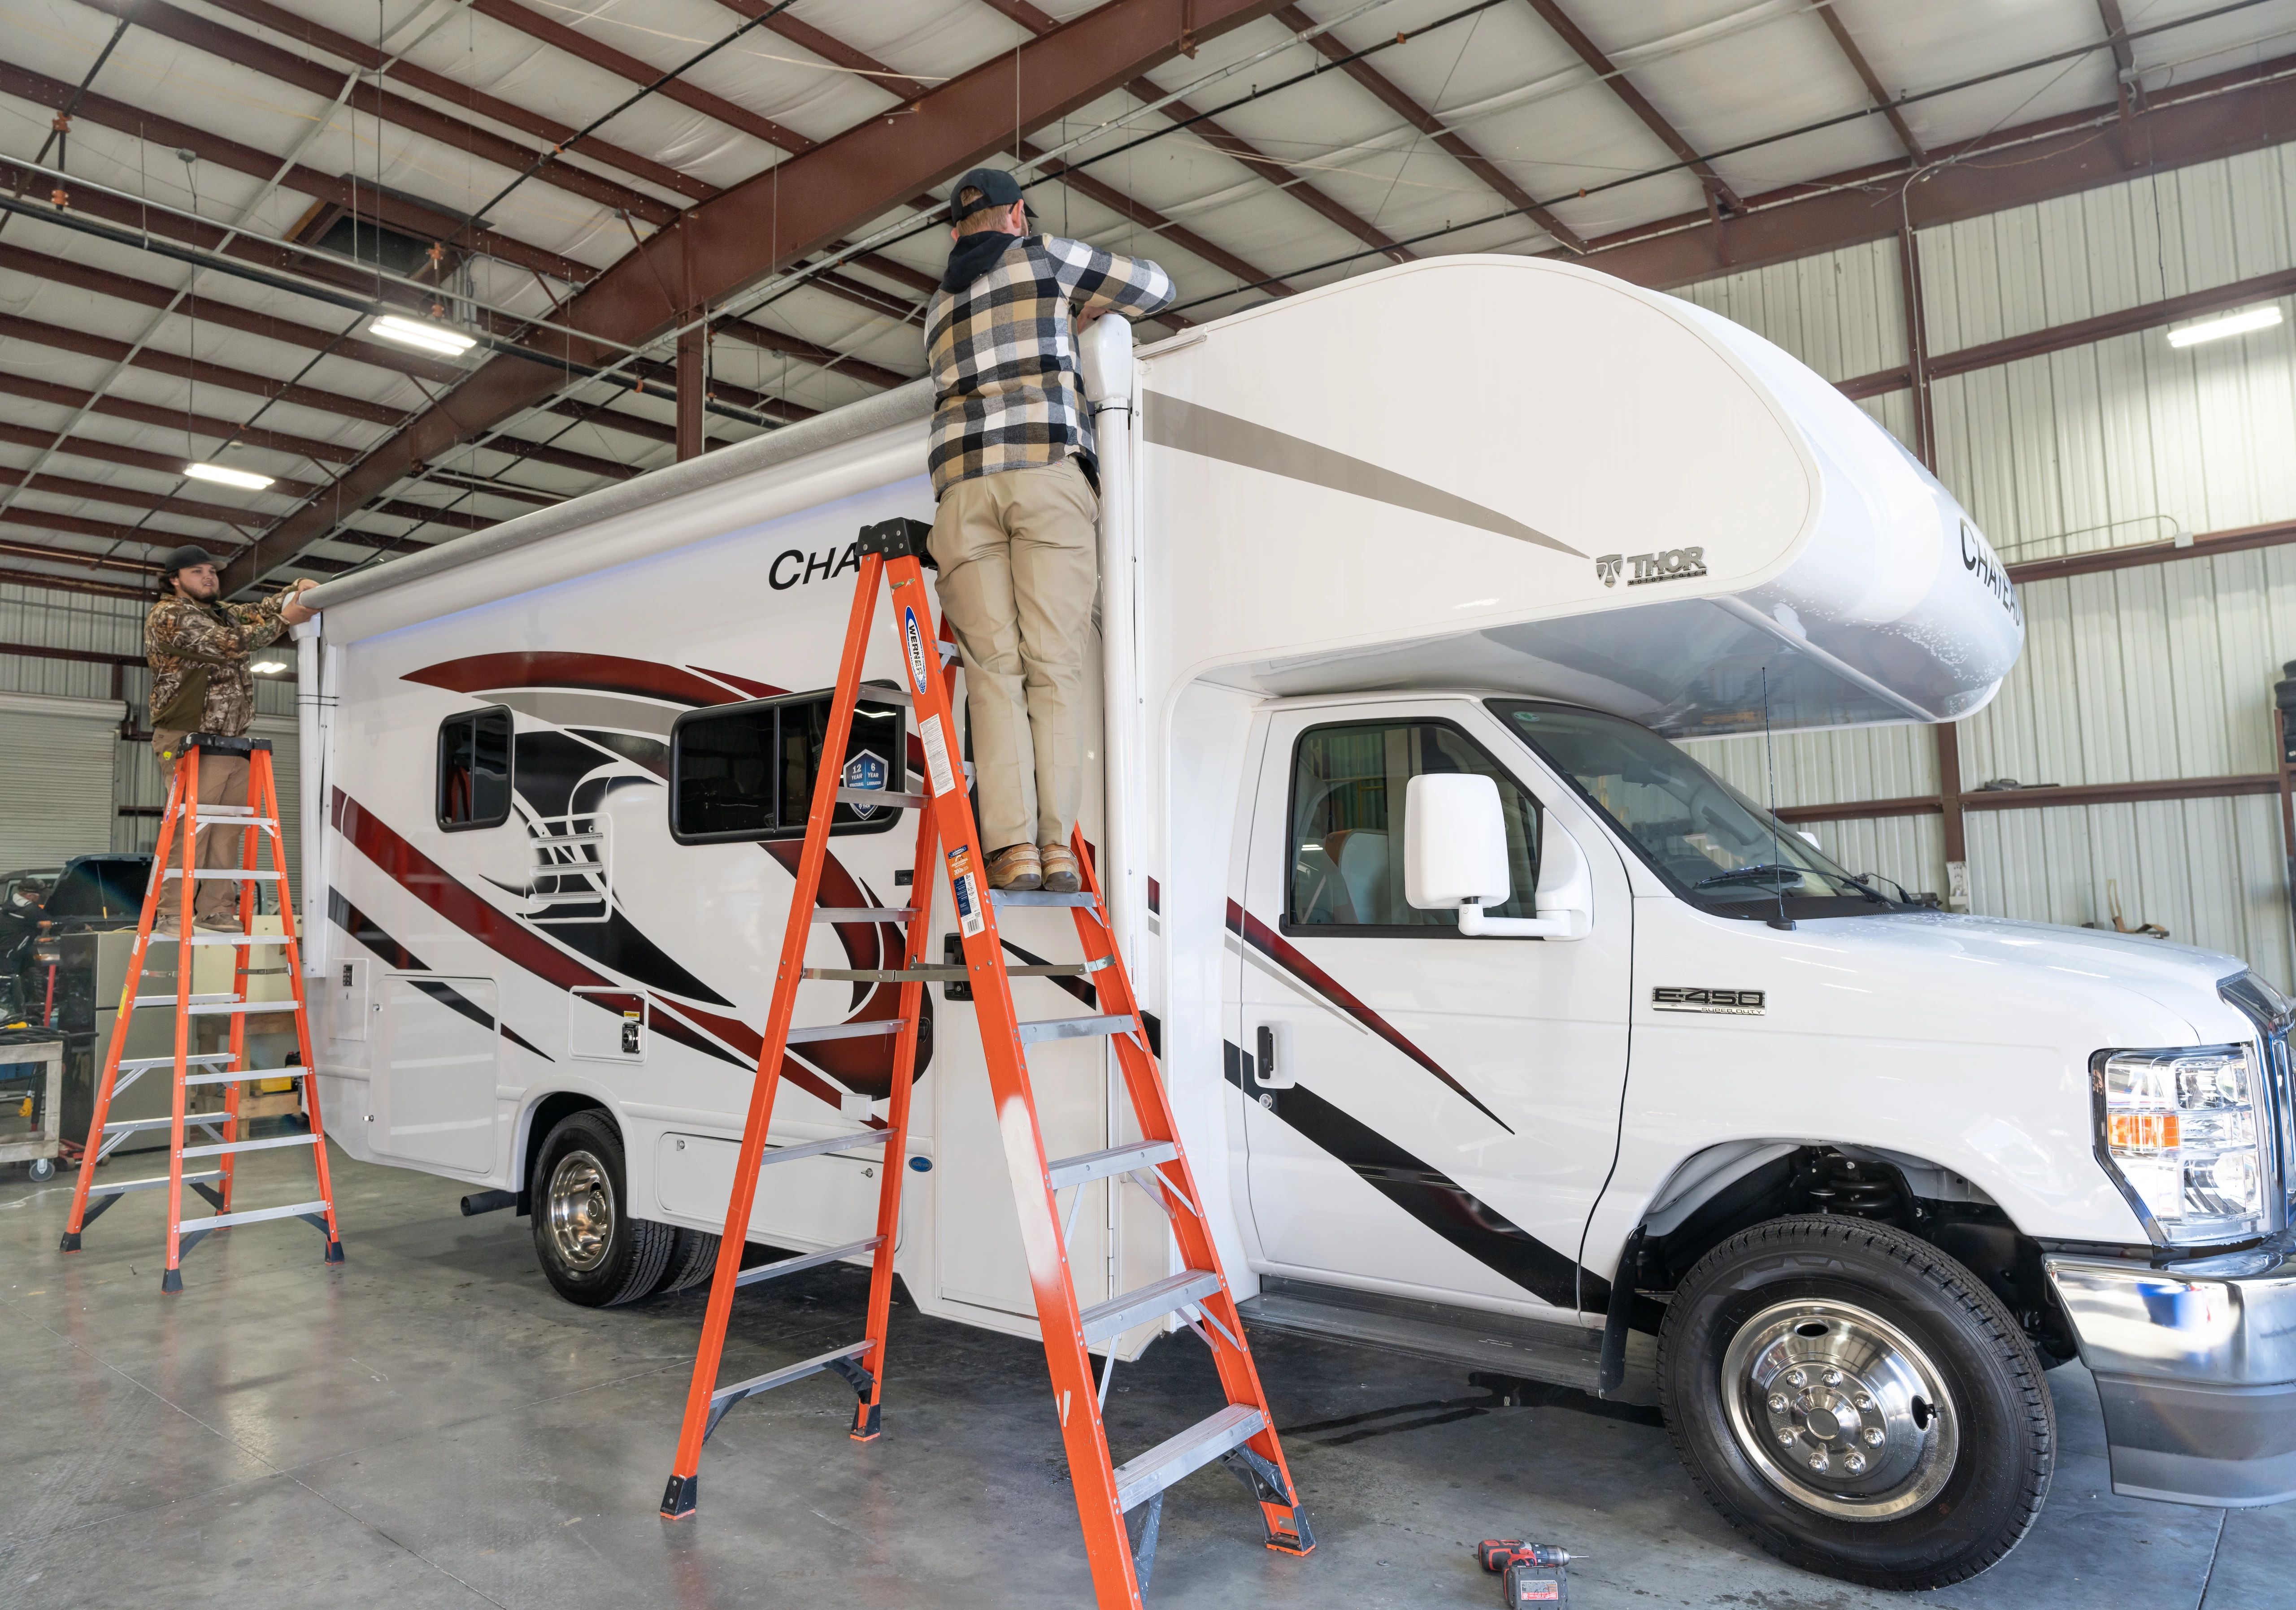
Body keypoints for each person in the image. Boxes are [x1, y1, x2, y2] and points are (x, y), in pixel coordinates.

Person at [925, 166, 1176, 892]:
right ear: (1016, 216)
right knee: (1053, 668)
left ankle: (1011, 849)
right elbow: (1158, 288)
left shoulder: (936, 309)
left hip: (962, 492)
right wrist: (1080, 313)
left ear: (953, 232)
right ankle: (1058, 849)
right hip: (1043, 470)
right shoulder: (1048, 260)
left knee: (992, 672)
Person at [145, 546, 316, 929]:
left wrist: (295, 590)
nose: (208, 576)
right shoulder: (170, 614)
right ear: (175, 580)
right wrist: (286, 619)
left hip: (231, 740)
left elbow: (258, 612)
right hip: (188, 738)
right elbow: (230, 643)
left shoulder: (218, 612)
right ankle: (173, 912)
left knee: (227, 829)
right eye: (197, 571)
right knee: (194, 826)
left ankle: (216, 908)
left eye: (212, 571)